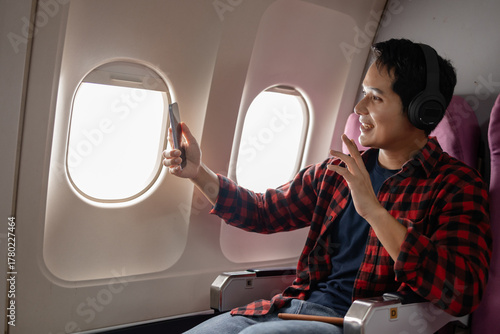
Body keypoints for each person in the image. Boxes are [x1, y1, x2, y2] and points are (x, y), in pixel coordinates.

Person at [162, 38, 491, 334]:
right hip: (291, 309)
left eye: (375, 98)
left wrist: (374, 211)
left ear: (422, 111)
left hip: (360, 324)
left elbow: (462, 291)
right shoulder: (339, 171)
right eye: (363, 94)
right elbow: (264, 212)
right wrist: (198, 173)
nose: (359, 110)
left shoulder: (456, 186)